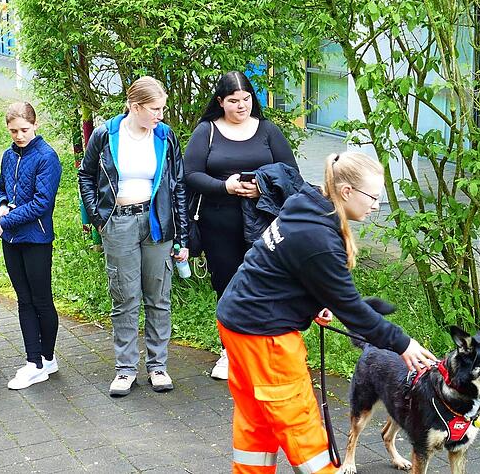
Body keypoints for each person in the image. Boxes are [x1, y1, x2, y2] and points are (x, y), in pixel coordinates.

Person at [216, 151, 437, 474]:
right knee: (299, 421)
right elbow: (352, 309)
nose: (376, 205)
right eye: (373, 197)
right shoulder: (318, 237)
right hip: (265, 336)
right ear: (347, 191)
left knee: (257, 418)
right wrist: (403, 344)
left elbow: (285, 267)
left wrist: (312, 301)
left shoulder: (307, 202)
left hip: (238, 321)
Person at [184, 71, 300, 381]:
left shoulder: (268, 131)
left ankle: (263, 350)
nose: (241, 106)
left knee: (265, 284)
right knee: (227, 285)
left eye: (246, 99)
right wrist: (227, 187)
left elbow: (291, 174)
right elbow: (191, 175)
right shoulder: (206, 131)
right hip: (218, 222)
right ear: (220, 102)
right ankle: (230, 351)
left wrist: (261, 187)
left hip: (263, 222)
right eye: (233, 101)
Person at [78, 76, 189, 396]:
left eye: (162, 108)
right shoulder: (105, 134)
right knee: (124, 297)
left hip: (157, 223)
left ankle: (158, 366)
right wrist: (100, 219)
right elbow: (86, 174)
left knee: (158, 297)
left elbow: (177, 185)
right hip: (119, 223)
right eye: (154, 109)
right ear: (135, 106)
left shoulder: (165, 137)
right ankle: (125, 369)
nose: (160, 115)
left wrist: (182, 235)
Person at [0, 102, 62, 390]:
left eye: (24, 130)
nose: (19, 136)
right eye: (13, 131)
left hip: (36, 239)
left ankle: (45, 359)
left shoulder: (47, 157)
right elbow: (1, 187)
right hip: (12, 238)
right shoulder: (8, 155)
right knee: (23, 299)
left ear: (35, 125)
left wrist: (3, 222)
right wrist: (1, 207)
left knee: (41, 299)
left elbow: (41, 203)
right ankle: (34, 360)